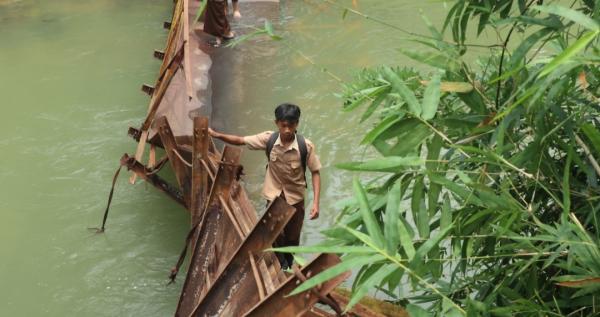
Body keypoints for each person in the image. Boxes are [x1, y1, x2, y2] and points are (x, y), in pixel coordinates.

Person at [208, 103, 322, 268]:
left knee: (293, 236)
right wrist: (216, 134)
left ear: (297, 124)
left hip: (295, 198)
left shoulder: (306, 147)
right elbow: (241, 140)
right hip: (274, 196)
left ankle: (289, 264)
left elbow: (316, 172)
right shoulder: (269, 139)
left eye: (291, 125)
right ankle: (279, 264)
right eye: (284, 125)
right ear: (277, 123)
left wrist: (316, 203)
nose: (287, 130)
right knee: (274, 233)